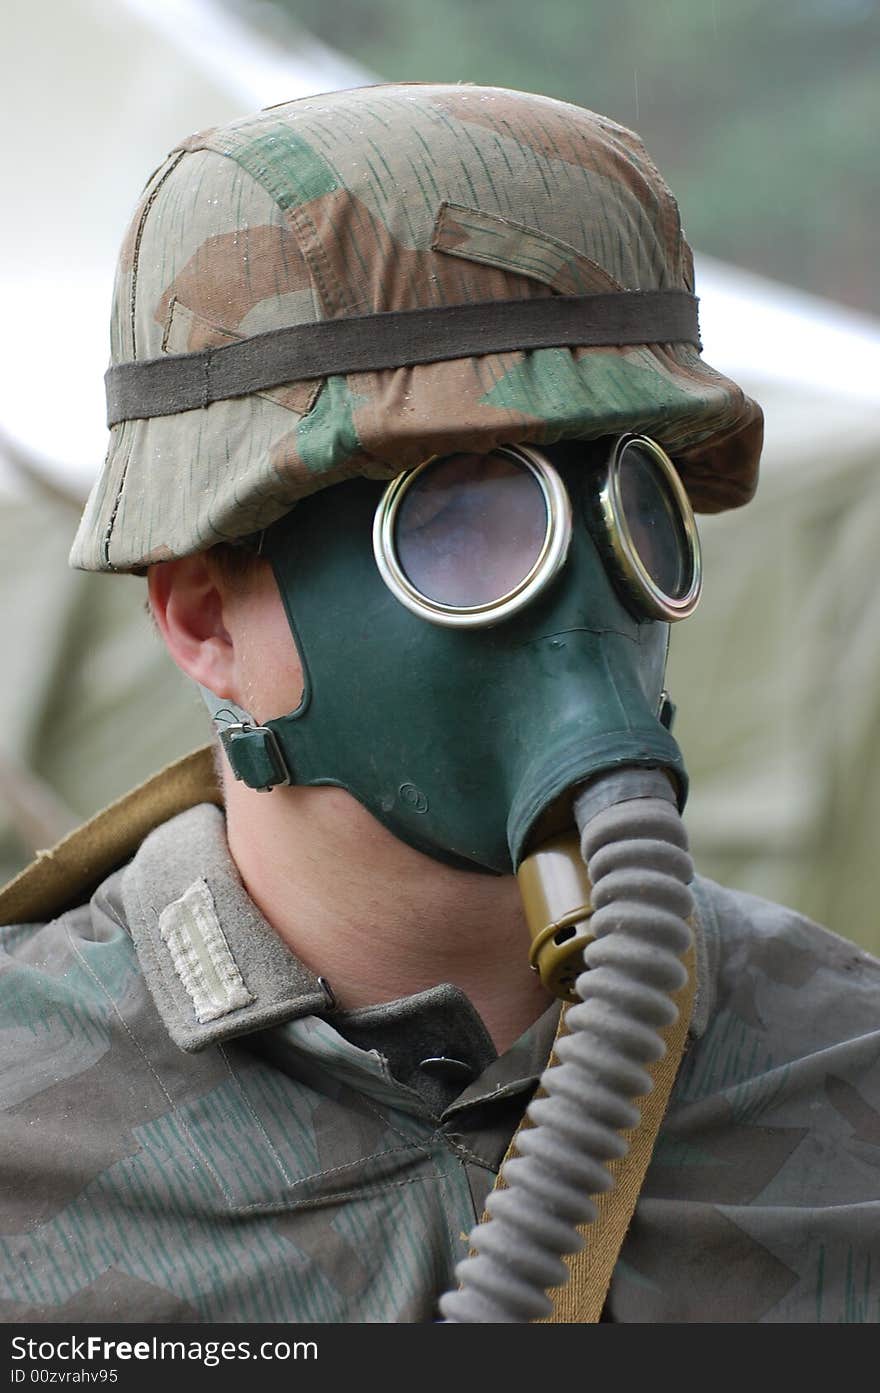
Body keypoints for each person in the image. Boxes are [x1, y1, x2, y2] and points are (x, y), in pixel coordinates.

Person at [1, 82, 878, 1326]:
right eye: (465, 517)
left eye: (632, 503)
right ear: (207, 618)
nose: (583, 598)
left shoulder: (845, 1081)